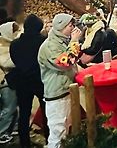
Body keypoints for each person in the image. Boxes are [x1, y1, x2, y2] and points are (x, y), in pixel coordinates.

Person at [38, 14, 82, 148]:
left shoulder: (60, 41)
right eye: (70, 26)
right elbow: (66, 62)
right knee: (58, 133)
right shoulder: (50, 46)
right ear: (61, 27)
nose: (73, 29)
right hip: (57, 95)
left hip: (66, 90)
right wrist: (74, 41)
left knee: (66, 130)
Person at [10, 14, 47, 148]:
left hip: (22, 82)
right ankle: (49, 139)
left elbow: (15, 60)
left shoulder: (14, 44)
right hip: (39, 80)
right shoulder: (43, 41)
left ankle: (24, 143)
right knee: (45, 112)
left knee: (24, 114)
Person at [0, 21, 20, 144]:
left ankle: (12, 128)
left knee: (14, 106)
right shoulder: (2, 46)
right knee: (9, 107)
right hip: (5, 81)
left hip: (14, 80)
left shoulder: (12, 44)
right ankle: (2, 133)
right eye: (14, 31)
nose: (16, 33)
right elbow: (7, 62)